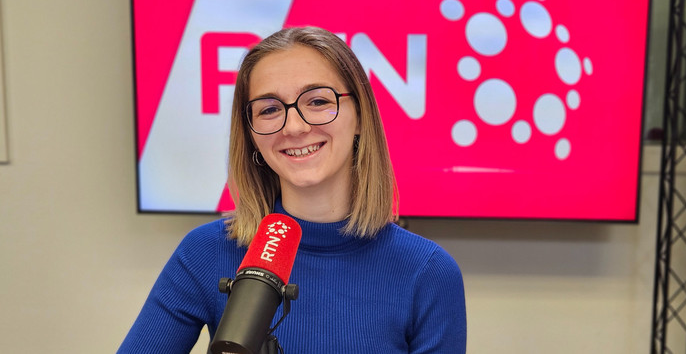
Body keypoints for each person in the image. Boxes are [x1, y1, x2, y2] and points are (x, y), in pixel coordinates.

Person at [119, 27, 467, 353]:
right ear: (251, 133)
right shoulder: (205, 252)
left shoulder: (428, 272)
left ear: (360, 117)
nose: (295, 127)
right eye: (270, 109)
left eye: (317, 102)